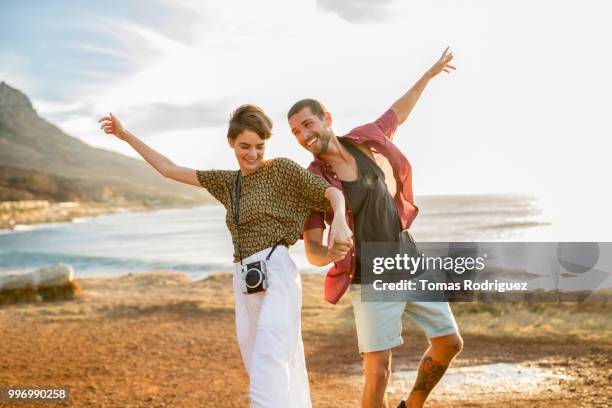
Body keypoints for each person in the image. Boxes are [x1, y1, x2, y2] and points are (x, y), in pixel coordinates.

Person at [98, 104, 352, 408]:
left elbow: (331, 193)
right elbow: (168, 169)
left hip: (278, 274)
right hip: (244, 280)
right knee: (265, 358)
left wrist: (338, 219)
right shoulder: (227, 183)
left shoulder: (282, 170)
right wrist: (126, 135)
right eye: (245, 146)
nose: (253, 154)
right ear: (231, 142)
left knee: (268, 361)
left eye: (260, 146)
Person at [287, 48, 463, 408]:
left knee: (449, 342)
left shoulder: (366, 138)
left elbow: (398, 111)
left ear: (326, 119)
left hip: (409, 260)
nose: (304, 135)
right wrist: (330, 253)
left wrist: (428, 76)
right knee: (378, 374)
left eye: (308, 124)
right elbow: (312, 250)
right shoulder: (312, 181)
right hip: (370, 276)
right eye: (296, 132)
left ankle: (412, 404)